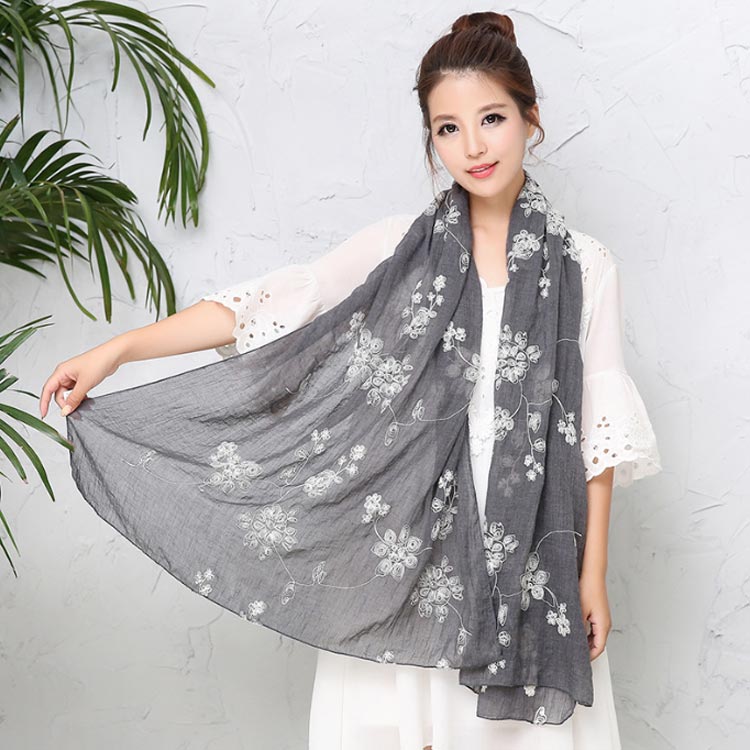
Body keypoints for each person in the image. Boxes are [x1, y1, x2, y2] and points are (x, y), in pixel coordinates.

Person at [40, 11, 661, 750]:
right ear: (431, 139)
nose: (472, 146)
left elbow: (597, 437)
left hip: (528, 567)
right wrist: (118, 351)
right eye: (448, 128)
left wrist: (591, 577)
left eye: (491, 118)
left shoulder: (586, 266)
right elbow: (268, 303)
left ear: (531, 117)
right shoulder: (399, 249)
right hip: (400, 562)